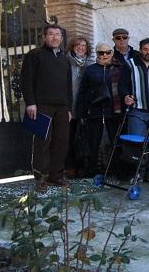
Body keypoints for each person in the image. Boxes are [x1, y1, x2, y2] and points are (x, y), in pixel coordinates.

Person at [21, 24, 72, 191]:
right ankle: (41, 178)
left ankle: (55, 176)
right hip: (41, 105)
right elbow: (26, 80)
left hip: (62, 107)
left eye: (58, 34)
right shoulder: (34, 55)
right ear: (44, 37)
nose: (54, 37)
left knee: (61, 142)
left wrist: (69, 108)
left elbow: (68, 86)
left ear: (62, 38)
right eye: (51, 34)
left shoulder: (65, 59)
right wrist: (30, 103)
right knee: (43, 142)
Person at [119, 38, 149, 185]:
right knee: (137, 143)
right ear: (140, 49)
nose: (148, 52)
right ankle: (138, 172)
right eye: (145, 49)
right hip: (136, 111)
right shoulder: (129, 64)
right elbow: (122, 85)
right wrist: (126, 96)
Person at [75, 43, 124, 177]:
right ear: (96, 54)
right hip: (95, 112)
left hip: (113, 112)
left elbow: (123, 90)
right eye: (101, 53)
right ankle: (91, 172)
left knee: (115, 143)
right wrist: (81, 112)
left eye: (107, 52)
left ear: (112, 53)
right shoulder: (90, 70)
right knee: (93, 143)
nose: (104, 55)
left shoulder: (118, 68)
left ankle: (116, 172)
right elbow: (82, 92)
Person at [65, 36, 92, 177]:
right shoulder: (65, 62)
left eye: (83, 45)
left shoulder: (89, 65)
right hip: (69, 107)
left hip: (83, 108)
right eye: (77, 45)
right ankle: (69, 167)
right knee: (68, 139)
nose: (81, 47)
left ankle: (82, 167)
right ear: (72, 47)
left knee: (82, 139)